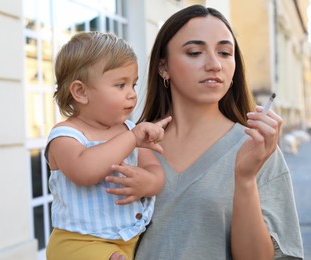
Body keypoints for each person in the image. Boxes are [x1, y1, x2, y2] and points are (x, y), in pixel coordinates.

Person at [107, 4, 304, 259]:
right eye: (194, 52)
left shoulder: (258, 148)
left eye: (224, 52)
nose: (214, 64)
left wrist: (244, 180)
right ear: (163, 67)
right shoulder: (129, 144)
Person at [44, 31, 171, 260]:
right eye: (121, 85)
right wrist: (132, 139)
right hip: (80, 243)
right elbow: (85, 171)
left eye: (133, 84)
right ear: (81, 92)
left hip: (129, 238)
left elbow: (156, 171)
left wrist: (147, 182)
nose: (132, 94)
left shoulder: (129, 130)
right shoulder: (65, 135)